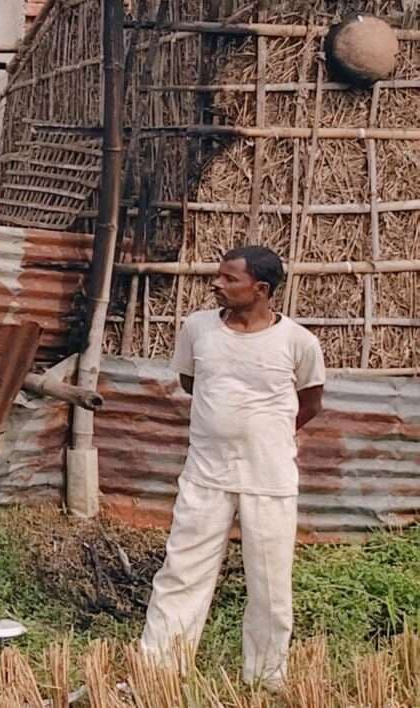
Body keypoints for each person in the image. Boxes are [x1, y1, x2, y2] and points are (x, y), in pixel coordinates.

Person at [138, 245, 326, 687]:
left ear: (260, 289)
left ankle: (265, 678)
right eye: (217, 276)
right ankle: (158, 671)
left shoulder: (298, 342)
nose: (216, 284)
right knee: (181, 572)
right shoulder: (197, 329)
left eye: (228, 279)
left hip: (270, 477)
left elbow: (310, 402)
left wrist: (268, 434)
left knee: (270, 584)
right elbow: (190, 382)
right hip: (206, 474)